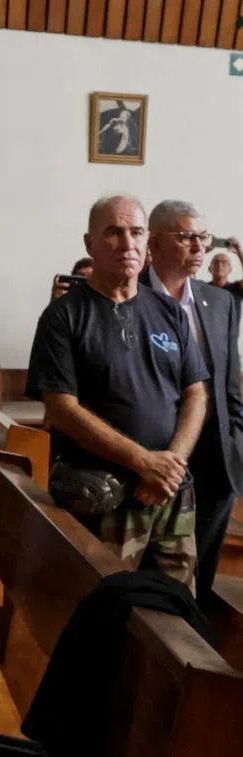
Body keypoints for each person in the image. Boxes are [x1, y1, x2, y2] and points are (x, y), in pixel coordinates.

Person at [27, 195, 208, 590]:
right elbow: (60, 407)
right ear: (90, 244)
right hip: (104, 497)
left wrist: (169, 467)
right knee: (104, 611)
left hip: (170, 493)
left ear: (147, 242)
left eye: (136, 232)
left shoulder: (170, 312)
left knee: (176, 614)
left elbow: (195, 393)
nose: (127, 243)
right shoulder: (64, 315)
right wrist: (142, 461)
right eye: (113, 232)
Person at [144, 200, 243, 605]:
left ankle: (194, 655)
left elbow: (231, 384)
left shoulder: (220, 303)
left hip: (216, 463)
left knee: (199, 579)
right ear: (154, 243)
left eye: (202, 237)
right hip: (154, 460)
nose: (198, 247)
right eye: (185, 237)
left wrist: (237, 439)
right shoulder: (131, 296)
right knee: (153, 581)